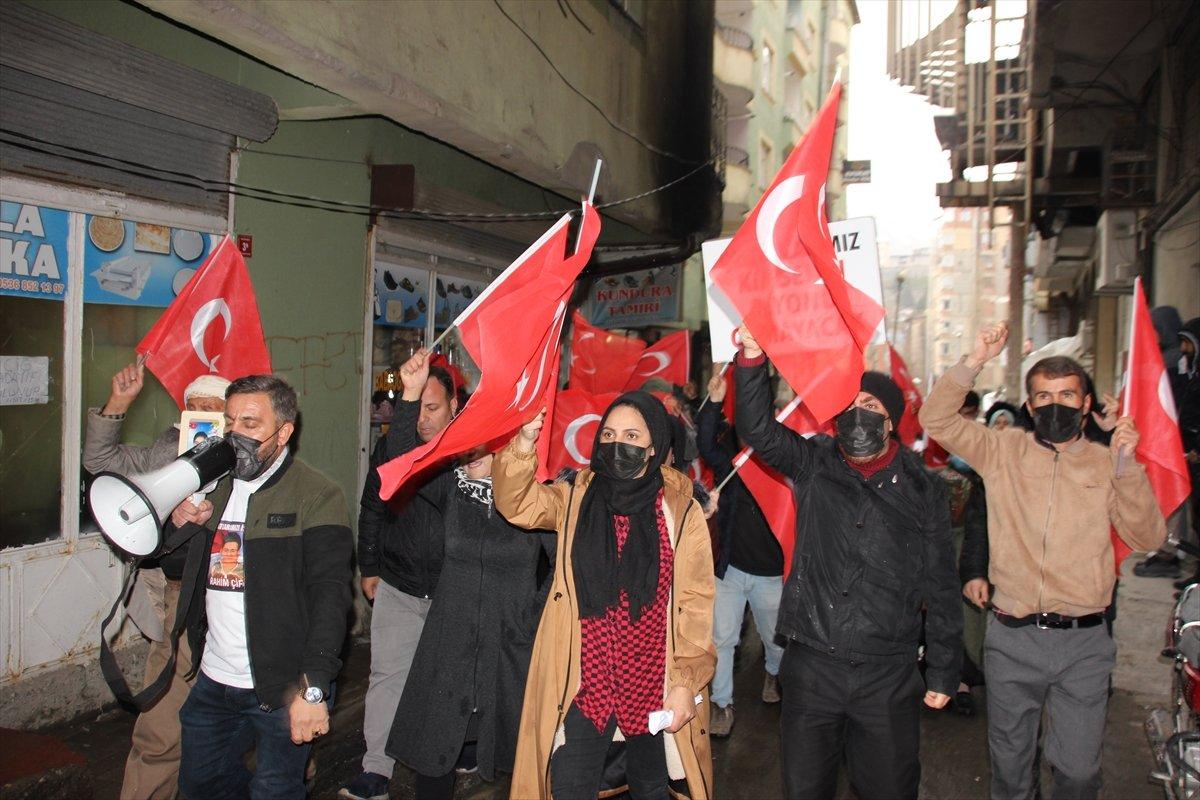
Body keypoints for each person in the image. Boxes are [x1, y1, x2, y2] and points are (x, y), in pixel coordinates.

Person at [920, 321, 1166, 800]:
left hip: (1085, 643)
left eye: (1069, 395)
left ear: (1086, 404)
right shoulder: (1002, 450)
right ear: (1030, 406)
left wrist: (1125, 462)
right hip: (1013, 638)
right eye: (1045, 396)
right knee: (1011, 772)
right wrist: (975, 359)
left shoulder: (1104, 461)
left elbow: (1147, 535)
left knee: (1077, 773)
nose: (1057, 404)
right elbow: (937, 420)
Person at [733, 325, 961, 800]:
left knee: (889, 789)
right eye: (852, 406)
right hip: (813, 667)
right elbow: (756, 429)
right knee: (805, 789)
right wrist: (753, 360)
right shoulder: (813, 463)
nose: (860, 415)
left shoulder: (925, 490)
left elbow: (941, 584)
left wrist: (943, 668)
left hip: (888, 675)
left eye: (872, 408)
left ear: (892, 421)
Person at [493, 391, 716, 800]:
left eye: (632, 435)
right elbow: (517, 503)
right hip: (584, 682)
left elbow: (695, 606)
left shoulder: (680, 513)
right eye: (610, 434)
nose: (619, 445)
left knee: (651, 788)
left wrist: (685, 682)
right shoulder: (576, 496)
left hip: (652, 683)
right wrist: (523, 443)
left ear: (654, 448)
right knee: (570, 786)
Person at [171, 374, 354, 799]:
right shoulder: (211, 490)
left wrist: (313, 688)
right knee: (200, 786)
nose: (236, 435)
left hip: (282, 685)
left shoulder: (317, 494)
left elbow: (331, 597)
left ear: (283, 431)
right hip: (215, 681)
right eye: (230, 421)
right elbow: (176, 571)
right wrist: (183, 527)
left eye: (251, 424)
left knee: (275, 790)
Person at [82, 364, 230, 800]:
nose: (203, 417)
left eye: (214, 410)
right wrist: (118, 405)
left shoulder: (251, 459)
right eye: (195, 408)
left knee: (260, 711)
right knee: (162, 724)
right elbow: (100, 463)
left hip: (238, 597)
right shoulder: (164, 452)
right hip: (180, 599)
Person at [385, 439, 554, 799]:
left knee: (517, 756)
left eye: (482, 448)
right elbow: (402, 461)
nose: (469, 456)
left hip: (510, 646)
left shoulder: (536, 499)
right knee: (434, 752)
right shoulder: (451, 489)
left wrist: (533, 616)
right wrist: (411, 394)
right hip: (450, 641)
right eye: (466, 448)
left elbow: (563, 566)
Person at [343, 348, 459, 800]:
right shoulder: (392, 446)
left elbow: (425, 478)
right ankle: (377, 769)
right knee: (388, 675)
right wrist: (369, 564)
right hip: (399, 582)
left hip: (453, 590)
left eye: (432, 408)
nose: (424, 419)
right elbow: (373, 504)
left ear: (454, 406)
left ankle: (460, 747)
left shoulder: (470, 452)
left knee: (453, 682)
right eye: (417, 408)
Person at [696, 370, 784, 739]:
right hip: (728, 568)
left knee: (774, 637)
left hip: (770, 572)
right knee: (723, 639)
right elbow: (705, 444)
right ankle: (721, 704)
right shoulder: (731, 457)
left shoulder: (784, 453)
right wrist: (714, 403)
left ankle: (774, 674)